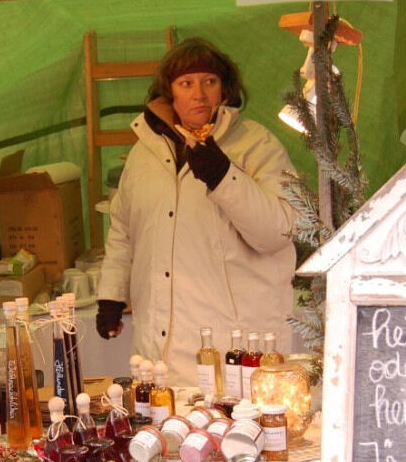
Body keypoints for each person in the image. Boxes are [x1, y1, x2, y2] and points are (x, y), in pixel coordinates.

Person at [96, 38, 300, 386]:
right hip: (159, 352)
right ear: (168, 93)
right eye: (186, 83)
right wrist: (111, 295)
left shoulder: (256, 144)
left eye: (210, 81)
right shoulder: (143, 154)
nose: (199, 94)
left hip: (235, 350)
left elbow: (279, 232)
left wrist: (224, 176)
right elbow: (123, 230)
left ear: (225, 91)